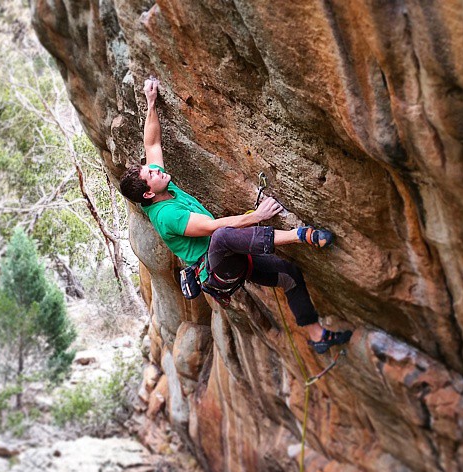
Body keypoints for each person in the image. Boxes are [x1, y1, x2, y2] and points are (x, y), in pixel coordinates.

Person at [120, 77, 352, 353]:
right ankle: (302, 235)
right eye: (151, 174)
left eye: (152, 169)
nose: (156, 170)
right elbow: (215, 227)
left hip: (236, 258)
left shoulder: (160, 186)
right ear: (148, 193)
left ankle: (318, 336)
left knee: (289, 274)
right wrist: (257, 214)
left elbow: (153, 143)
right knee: (222, 236)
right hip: (219, 268)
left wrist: (151, 102)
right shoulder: (167, 215)